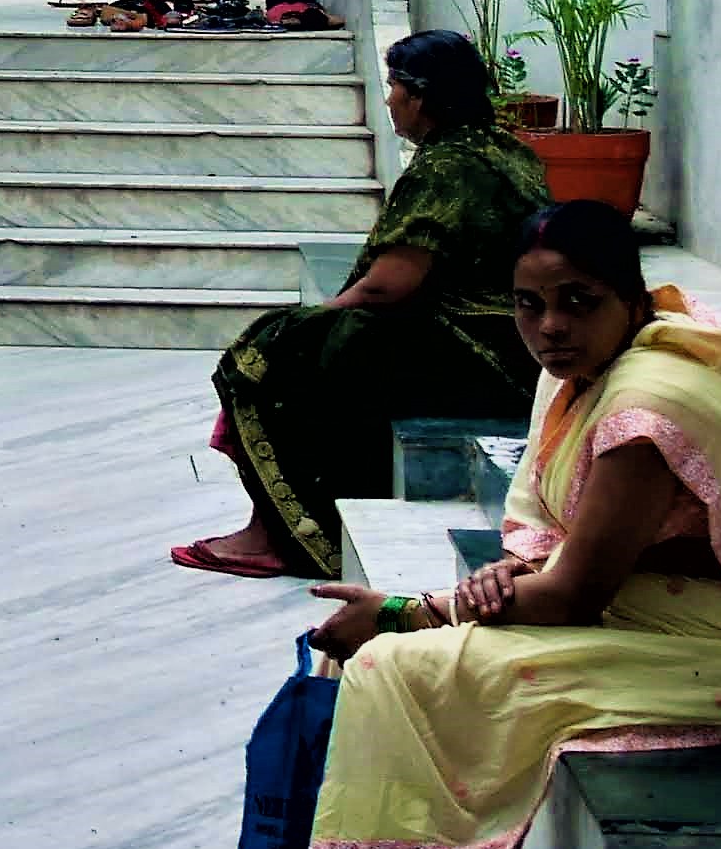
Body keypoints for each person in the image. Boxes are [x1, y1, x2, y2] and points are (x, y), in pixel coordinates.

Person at [209, 201, 721, 849]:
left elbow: (575, 593)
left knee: (396, 665)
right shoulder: (595, 366)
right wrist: (501, 582)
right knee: (349, 654)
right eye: (528, 304)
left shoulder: (649, 407)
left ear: (632, 298)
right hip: (641, 606)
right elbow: (562, 542)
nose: (550, 327)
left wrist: (413, 611)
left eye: (578, 301)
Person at [171, 28, 547, 577]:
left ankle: (288, 533)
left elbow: (388, 285)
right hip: (511, 343)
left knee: (276, 351)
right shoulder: (502, 150)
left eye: (394, 86)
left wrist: (317, 319)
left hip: (481, 351)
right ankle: (273, 524)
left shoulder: (449, 166)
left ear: (419, 97)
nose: (389, 99)